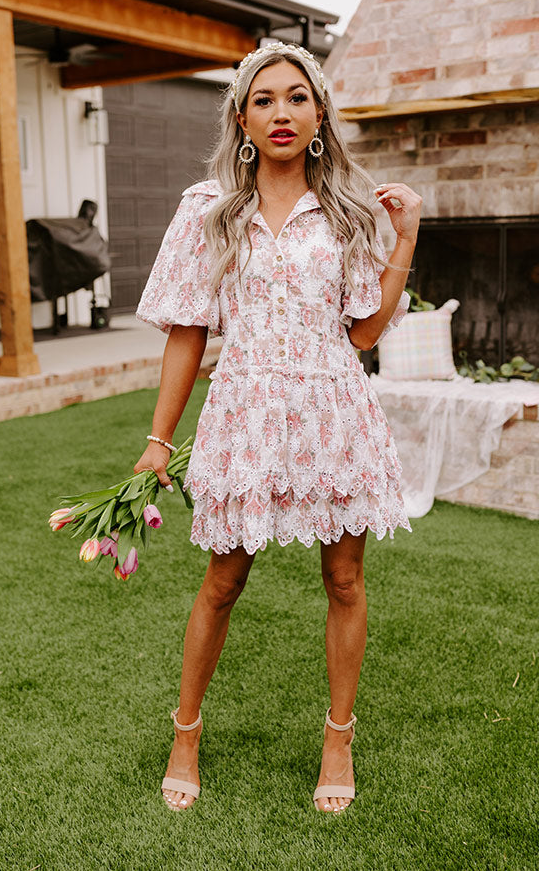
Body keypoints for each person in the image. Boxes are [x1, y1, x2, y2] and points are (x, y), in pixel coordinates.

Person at [134, 41, 422, 815]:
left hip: (334, 412)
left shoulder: (349, 213)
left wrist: (405, 238)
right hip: (246, 414)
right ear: (241, 119)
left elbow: (364, 333)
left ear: (320, 114)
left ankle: (338, 739)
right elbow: (188, 331)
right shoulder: (207, 210)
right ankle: (185, 733)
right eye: (263, 100)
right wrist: (158, 439)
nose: (281, 112)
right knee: (222, 582)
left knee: (345, 581)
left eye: (297, 97)